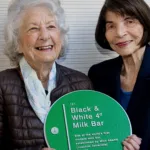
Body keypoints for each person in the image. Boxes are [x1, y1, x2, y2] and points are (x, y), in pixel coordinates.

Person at [0, 0, 92, 149]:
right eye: (33, 28)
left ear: (60, 37)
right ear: (18, 43)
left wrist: (120, 142)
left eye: (51, 26)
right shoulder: (2, 85)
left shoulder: (82, 84)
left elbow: (92, 141)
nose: (44, 35)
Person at [88, 0, 150, 149]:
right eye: (111, 25)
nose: (120, 33)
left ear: (145, 23)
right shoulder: (98, 74)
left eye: (129, 21)